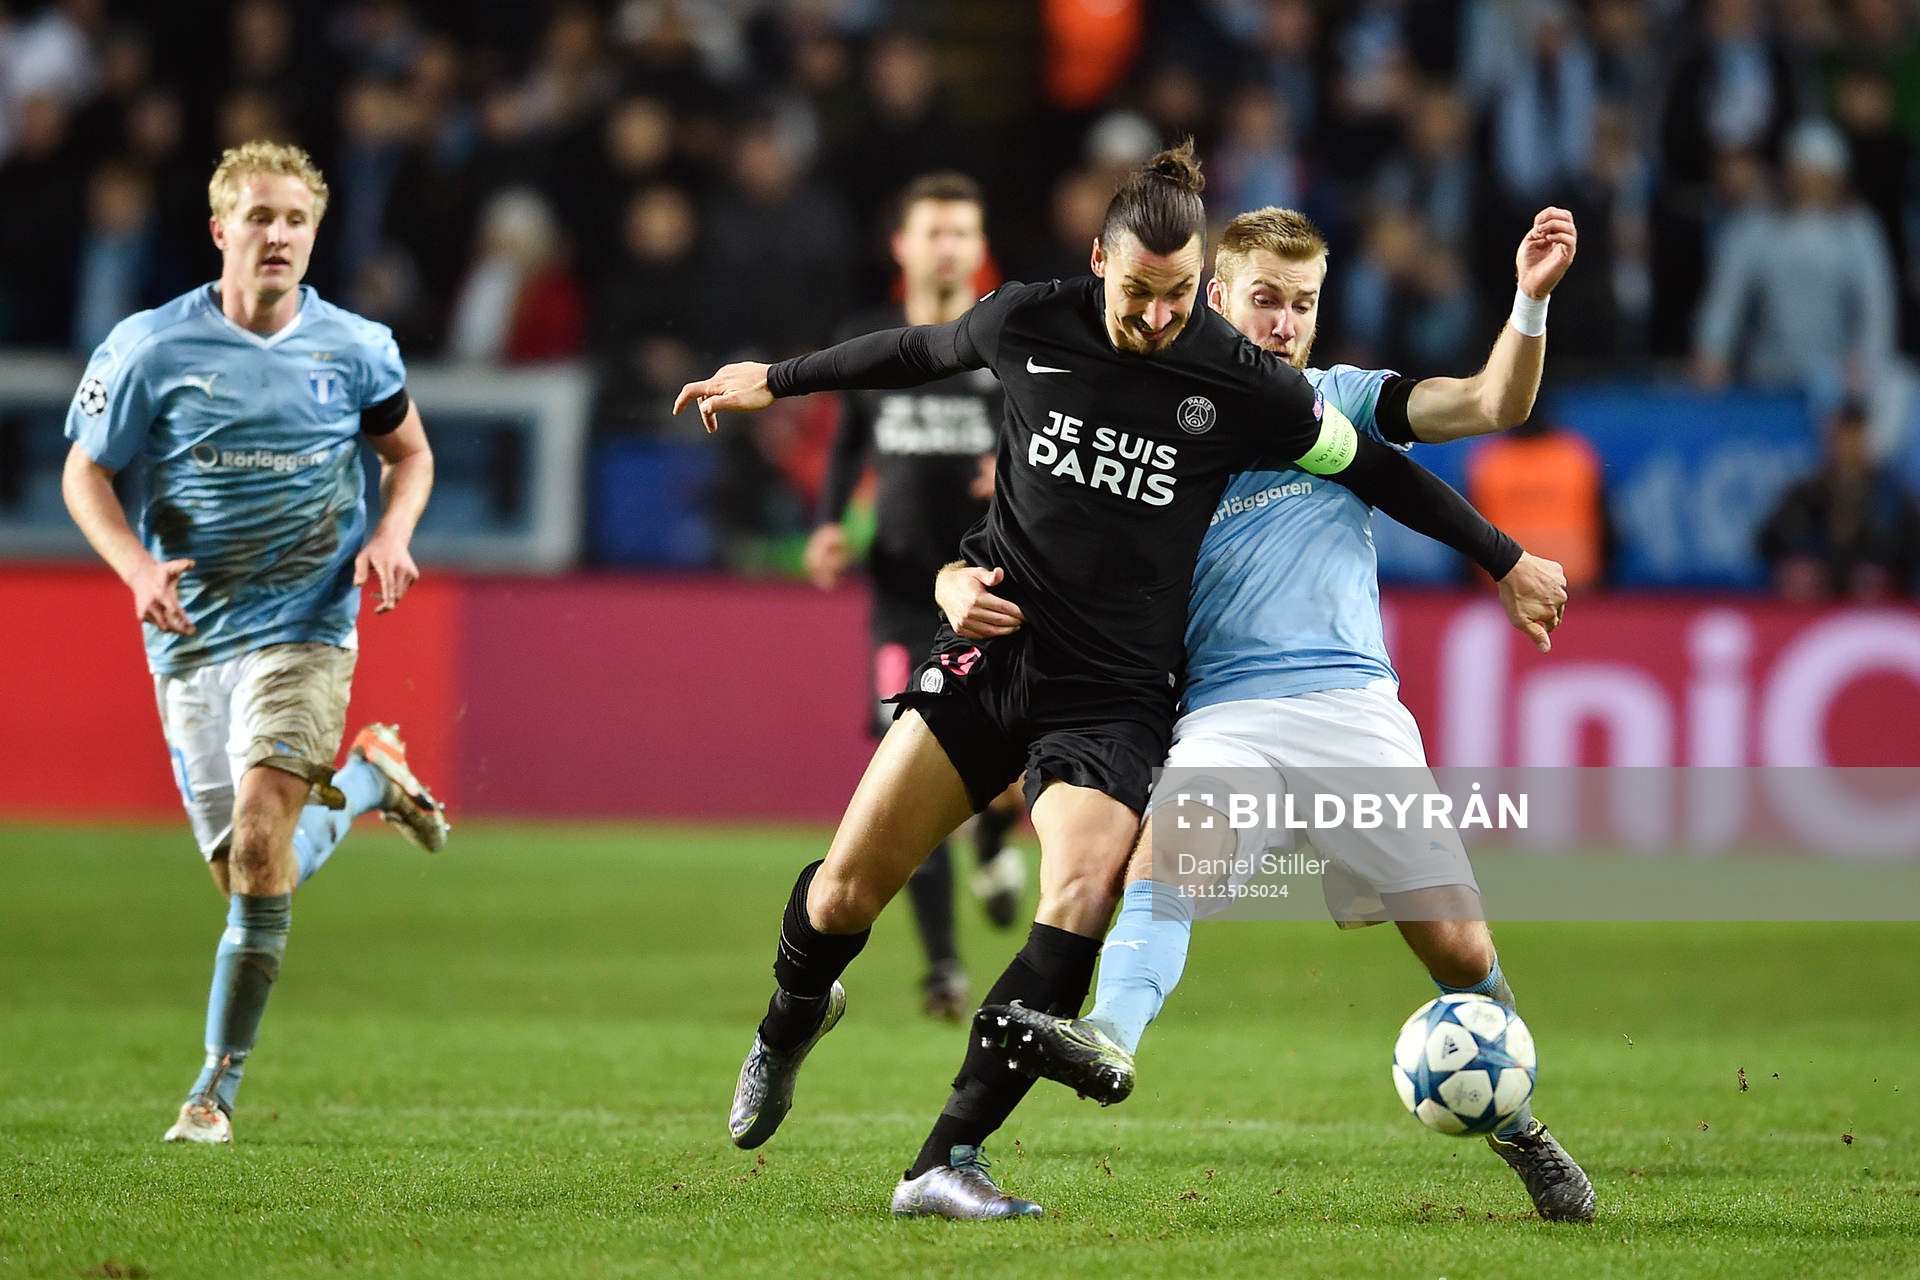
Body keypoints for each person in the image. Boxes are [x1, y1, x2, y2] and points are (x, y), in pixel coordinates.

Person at [673, 142, 1566, 1220]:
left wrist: (1503, 554)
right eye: (1140, 292)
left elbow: (1380, 467)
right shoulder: (1027, 322)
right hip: (997, 653)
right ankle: (791, 1017)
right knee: (846, 891)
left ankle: (943, 1160)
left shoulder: (1249, 388)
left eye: (1178, 295)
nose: (1155, 317)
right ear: (1100, 262)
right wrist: (774, 380)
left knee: (1083, 897)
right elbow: (913, 351)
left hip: (1117, 694)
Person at [969, 204, 1594, 1221]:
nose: (1284, 323)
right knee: (1162, 869)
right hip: (1225, 714)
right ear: (1216, 295)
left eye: (1302, 304)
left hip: (1353, 705)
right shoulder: (1153, 417)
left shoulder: (1340, 398)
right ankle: (1110, 1039)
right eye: (1265, 300)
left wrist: (1528, 299)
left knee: (1458, 949)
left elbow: (1491, 401)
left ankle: (1519, 1122)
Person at [60, 141, 449, 1146]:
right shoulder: (151, 346)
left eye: (296, 221)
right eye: (260, 216)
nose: (277, 235)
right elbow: (84, 475)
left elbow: (408, 454)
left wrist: (393, 532)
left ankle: (212, 1091)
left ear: (313, 235)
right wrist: (136, 569)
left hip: (308, 620)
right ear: (220, 229)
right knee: (248, 874)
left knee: (266, 843)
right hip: (192, 636)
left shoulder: (356, 346)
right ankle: (368, 780)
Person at [803, 173, 1028, 1021]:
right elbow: (848, 441)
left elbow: (1053, 437)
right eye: (931, 231)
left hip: (996, 588)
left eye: (961, 232)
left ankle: (999, 839)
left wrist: (1015, 473)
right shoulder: (868, 339)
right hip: (902, 591)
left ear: (979, 247)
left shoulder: (1007, 341)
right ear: (901, 245)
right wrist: (828, 522)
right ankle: (943, 968)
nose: (947, 247)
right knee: (909, 762)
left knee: (998, 779)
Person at [1757, 400, 1920, 600]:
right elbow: (1767, 542)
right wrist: (1802, 557)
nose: (1847, 446)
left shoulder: (1890, 493)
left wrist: (1883, 559)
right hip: (1821, 582)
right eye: (1841, 437)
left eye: (1854, 437)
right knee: (1802, 575)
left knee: (1869, 579)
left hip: (1873, 589)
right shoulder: (1807, 492)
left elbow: (1911, 546)